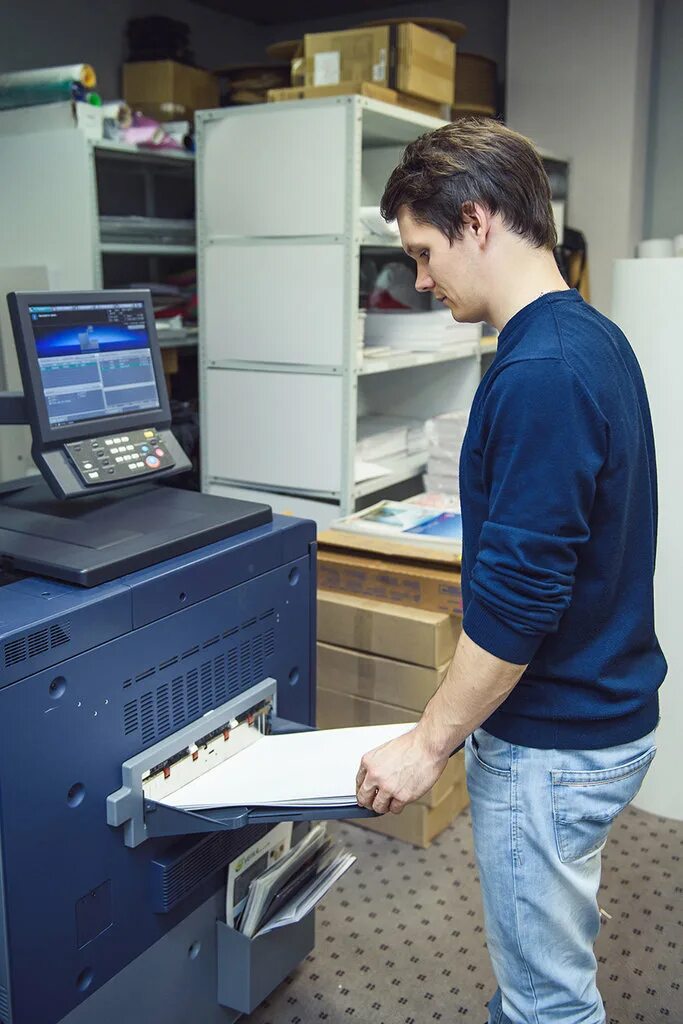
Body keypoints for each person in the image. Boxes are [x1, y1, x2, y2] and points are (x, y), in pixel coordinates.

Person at [355, 119, 666, 1024]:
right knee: (542, 961)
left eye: (422, 251)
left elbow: (523, 600)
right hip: (595, 713)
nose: (418, 279)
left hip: (554, 743)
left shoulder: (543, 369)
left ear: (477, 220)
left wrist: (425, 745)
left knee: (546, 1004)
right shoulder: (585, 336)